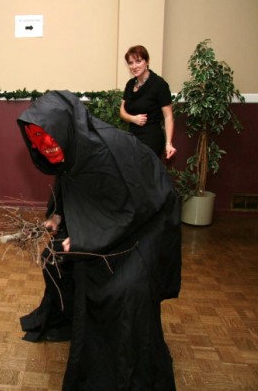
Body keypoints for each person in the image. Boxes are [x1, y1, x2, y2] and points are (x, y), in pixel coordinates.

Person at [18, 91, 181, 390]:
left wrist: (85, 237)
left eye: (46, 136)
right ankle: (74, 323)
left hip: (146, 226)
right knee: (54, 262)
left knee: (123, 291)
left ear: (63, 127)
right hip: (108, 226)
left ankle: (120, 359)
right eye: (36, 139)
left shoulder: (107, 152)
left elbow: (130, 205)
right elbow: (73, 187)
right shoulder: (73, 149)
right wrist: (58, 216)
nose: (43, 145)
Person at [119, 45, 176, 159]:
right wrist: (133, 119)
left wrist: (168, 143)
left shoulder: (159, 84)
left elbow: (168, 116)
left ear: (147, 61)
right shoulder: (130, 84)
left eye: (138, 61)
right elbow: (122, 112)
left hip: (151, 139)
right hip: (132, 138)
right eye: (131, 63)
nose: (134, 66)